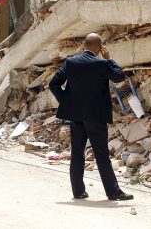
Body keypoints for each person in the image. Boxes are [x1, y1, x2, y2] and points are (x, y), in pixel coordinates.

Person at [49, 33, 134, 201]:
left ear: (84, 46)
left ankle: (78, 191)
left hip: (76, 115)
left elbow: (53, 83)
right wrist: (109, 59)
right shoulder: (101, 64)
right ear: (98, 48)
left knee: (77, 153)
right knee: (101, 155)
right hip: (96, 116)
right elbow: (119, 76)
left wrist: (66, 102)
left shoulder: (71, 62)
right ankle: (113, 192)